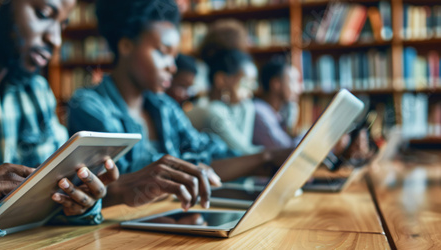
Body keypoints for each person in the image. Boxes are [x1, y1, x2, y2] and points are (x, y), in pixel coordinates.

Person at [68, 0, 294, 205]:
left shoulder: (164, 107)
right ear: (125, 45)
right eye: (163, 52)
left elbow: (208, 157)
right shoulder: (90, 106)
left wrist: (268, 158)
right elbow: (111, 183)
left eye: (174, 56)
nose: (172, 67)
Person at [0, 0, 117, 247]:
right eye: (44, 14)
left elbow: (53, 194)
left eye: (62, 24)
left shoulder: (36, 85)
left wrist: (75, 202)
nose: (55, 39)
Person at [186, 49, 263, 155]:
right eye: (245, 84)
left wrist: (246, 108)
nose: (250, 94)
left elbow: (245, 145)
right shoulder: (209, 110)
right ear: (221, 80)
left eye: (252, 86)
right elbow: (243, 152)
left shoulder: (239, 107)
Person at [253, 57, 304, 150]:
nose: (299, 89)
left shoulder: (277, 113)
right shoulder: (259, 112)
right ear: (275, 84)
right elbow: (284, 149)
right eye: (293, 81)